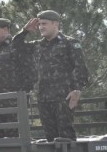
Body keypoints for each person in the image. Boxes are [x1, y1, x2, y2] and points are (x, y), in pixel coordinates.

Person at [12, 10, 89, 141]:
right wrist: (25, 31)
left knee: (66, 136)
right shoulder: (38, 45)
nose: (41, 27)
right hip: (43, 98)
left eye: (44, 23)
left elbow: (81, 69)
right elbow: (16, 46)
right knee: (50, 137)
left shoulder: (70, 43)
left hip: (63, 97)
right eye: (39, 24)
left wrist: (77, 91)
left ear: (55, 24)